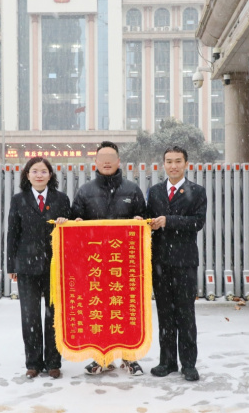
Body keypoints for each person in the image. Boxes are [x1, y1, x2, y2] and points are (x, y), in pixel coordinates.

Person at [57, 141, 146, 376]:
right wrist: (76, 223)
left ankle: (129, 356)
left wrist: (140, 221)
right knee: (97, 308)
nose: (107, 162)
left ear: (118, 161)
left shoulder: (132, 190)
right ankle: (100, 358)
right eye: (102, 158)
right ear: (95, 162)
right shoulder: (85, 191)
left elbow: (145, 220)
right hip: (94, 263)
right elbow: (75, 219)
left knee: (126, 310)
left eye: (111, 158)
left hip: (124, 264)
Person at [7, 157, 71, 379]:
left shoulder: (61, 199)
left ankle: (53, 362)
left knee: (54, 316)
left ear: (50, 175)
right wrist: (11, 265)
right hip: (26, 266)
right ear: (27, 175)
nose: (39, 175)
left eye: (43, 171)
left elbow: (73, 231)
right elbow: (12, 234)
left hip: (55, 266)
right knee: (30, 316)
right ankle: (33, 363)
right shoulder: (19, 200)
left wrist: (65, 222)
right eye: (34, 171)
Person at [146, 146, 207, 382]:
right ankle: (167, 361)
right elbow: (148, 218)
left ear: (186, 164)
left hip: (185, 261)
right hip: (160, 261)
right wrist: (146, 221)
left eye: (178, 161)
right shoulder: (155, 191)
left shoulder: (197, 191)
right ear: (163, 164)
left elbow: (197, 222)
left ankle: (189, 364)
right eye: (169, 161)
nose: (173, 166)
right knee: (165, 314)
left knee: (185, 313)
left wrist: (168, 221)